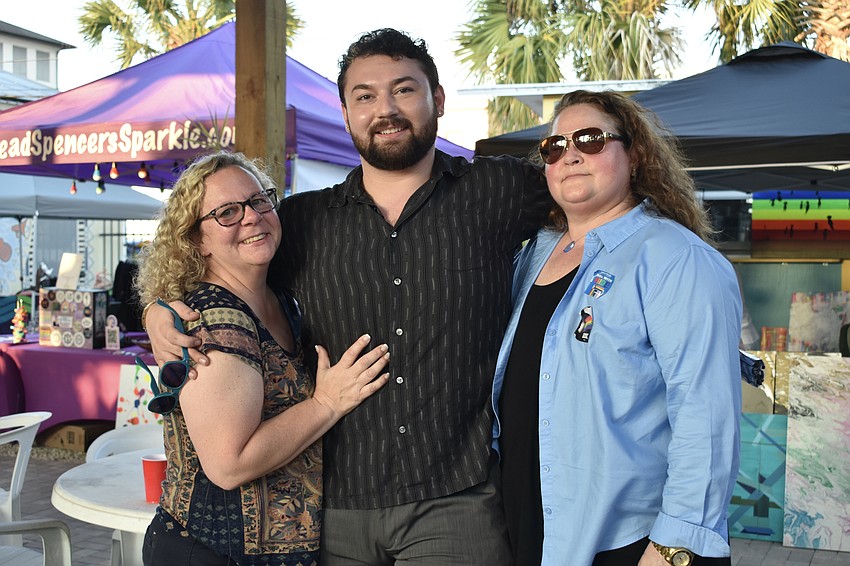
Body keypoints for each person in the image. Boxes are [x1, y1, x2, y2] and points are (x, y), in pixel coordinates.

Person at [146, 29, 552, 564]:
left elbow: (592, 190)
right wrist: (158, 312)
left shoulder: (495, 191)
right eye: (365, 96)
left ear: (439, 99)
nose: (385, 109)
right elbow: (215, 269)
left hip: (455, 502)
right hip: (331, 514)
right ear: (345, 112)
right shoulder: (300, 222)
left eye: (404, 89)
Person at [492, 90, 742, 566]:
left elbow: (706, 415)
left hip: (629, 540)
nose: (570, 155)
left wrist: (675, 546)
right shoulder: (532, 255)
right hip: (535, 527)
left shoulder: (676, 259)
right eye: (555, 146)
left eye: (590, 139)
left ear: (636, 156)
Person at [135, 151, 390, 566]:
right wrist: (326, 404)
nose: (251, 217)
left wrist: (153, 310)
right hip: (207, 553)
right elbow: (228, 464)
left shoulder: (280, 298)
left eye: (258, 200)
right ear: (196, 239)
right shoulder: (214, 321)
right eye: (227, 212)